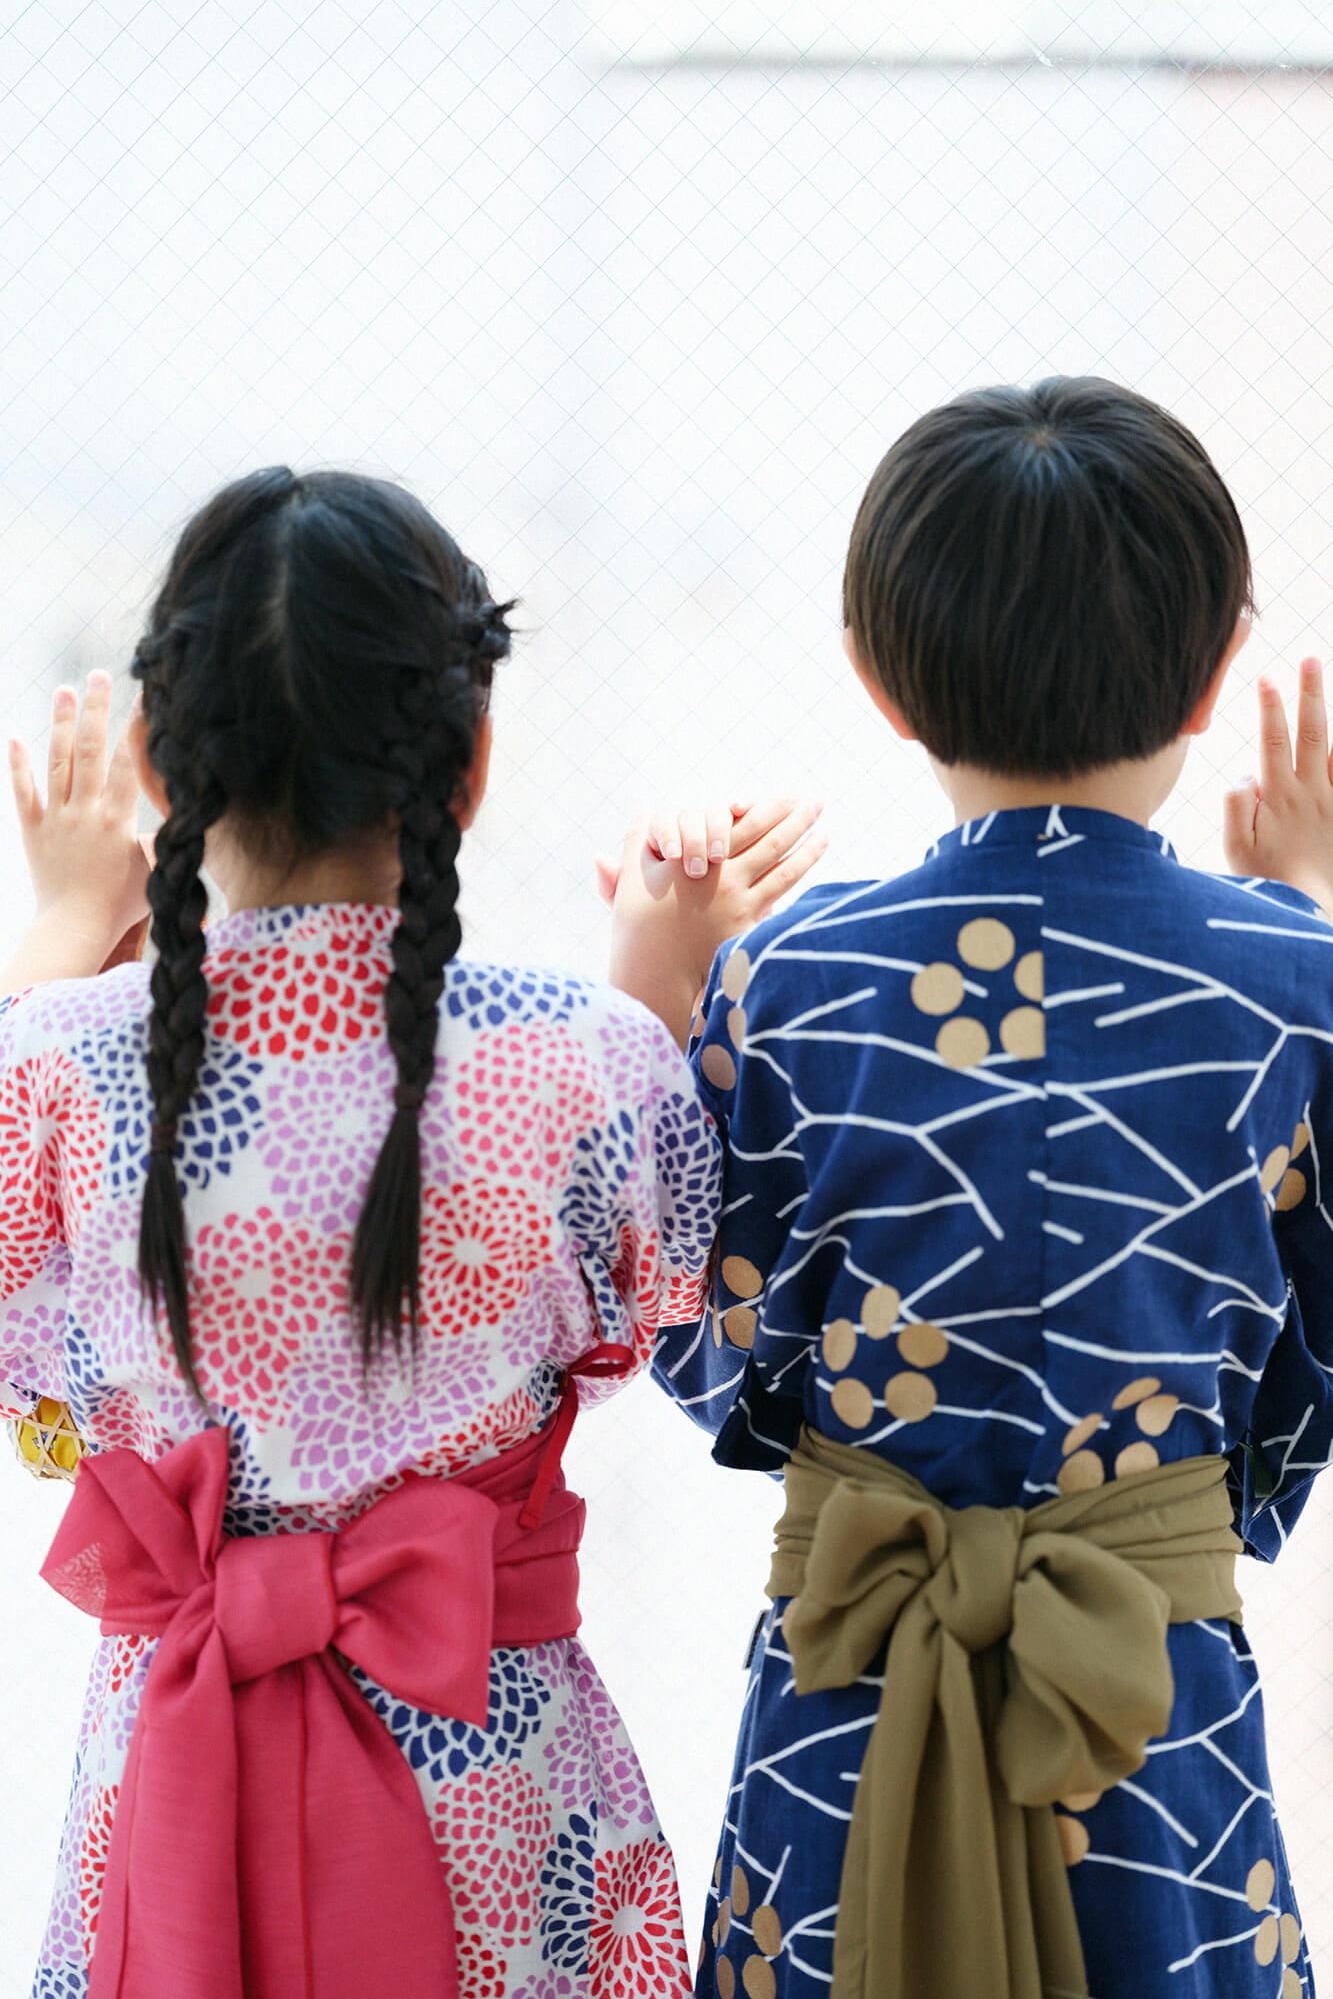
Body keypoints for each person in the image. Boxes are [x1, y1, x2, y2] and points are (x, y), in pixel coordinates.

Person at [0, 466, 823, 1999]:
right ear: (473, 763)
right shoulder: (578, 1057)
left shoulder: (53, 1064)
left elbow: (32, 1384)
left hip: (172, 1776)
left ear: (160, 780)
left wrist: (60, 923)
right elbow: (666, 1315)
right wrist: (660, 989)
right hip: (495, 1799)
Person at [608, 378, 1332, 1998]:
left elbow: (703, 1356)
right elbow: (1309, 1372)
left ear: (876, 679)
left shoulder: (779, 976)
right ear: (1216, 668)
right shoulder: (1302, 981)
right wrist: (1308, 910)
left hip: (845, 1693)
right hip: (1149, 1700)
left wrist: (661, 995)